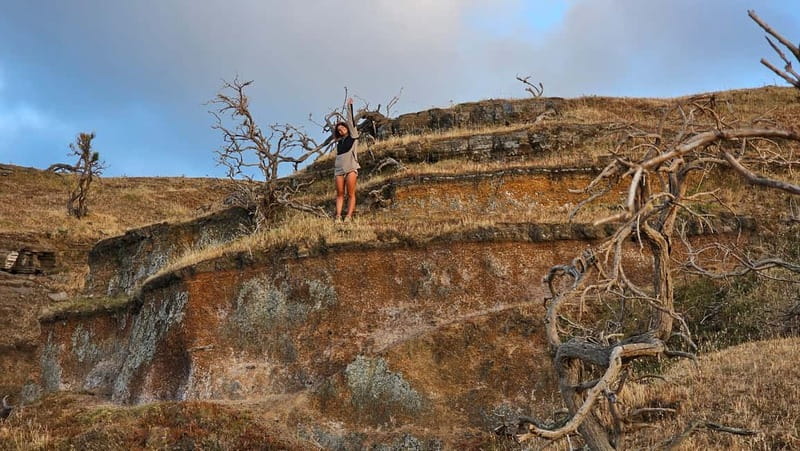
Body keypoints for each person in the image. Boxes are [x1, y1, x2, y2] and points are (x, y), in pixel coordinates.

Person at [333, 98, 361, 221]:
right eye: (339, 130)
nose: (341, 130)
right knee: (339, 194)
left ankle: (348, 216)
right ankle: (338, 216)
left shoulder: (353, 135)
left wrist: (349, 107)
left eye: (342, 128)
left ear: (347, 128)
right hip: (339, 169)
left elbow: (350, 121)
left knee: (350, 193)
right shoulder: (339, 143)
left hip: (351, 168)